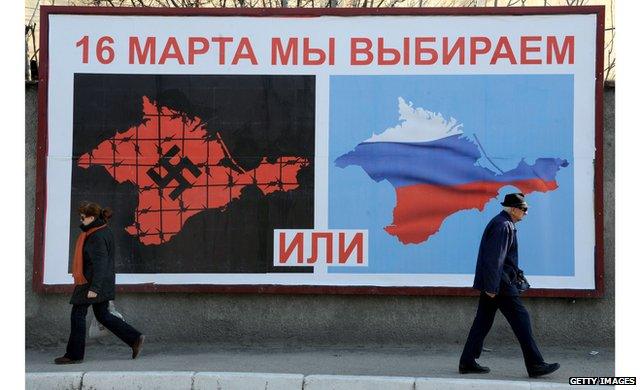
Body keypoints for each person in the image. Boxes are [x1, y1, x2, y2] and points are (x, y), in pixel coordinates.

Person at [458, 193, 560, 378]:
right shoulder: (503, 226)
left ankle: (467, 361)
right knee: (522, 320)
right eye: (524, 209)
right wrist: (491, 287)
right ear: (513, 209)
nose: (526, 213)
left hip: (496, 283)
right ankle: (535, 364)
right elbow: (494, 259)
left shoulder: (504, 223)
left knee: (482, 322)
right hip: (500, 284)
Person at [54, 201, 145, 364]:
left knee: (77, 314)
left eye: (83, 218)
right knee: (103, 315)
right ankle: (135, 338)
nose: (81, 221)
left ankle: (74, 355)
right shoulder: (102, 230)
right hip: (99, 281)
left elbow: (101, 263)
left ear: (92, 217)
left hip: (91, 283)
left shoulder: (96, 236)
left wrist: (94, 288)